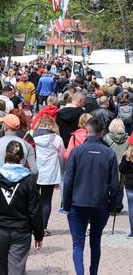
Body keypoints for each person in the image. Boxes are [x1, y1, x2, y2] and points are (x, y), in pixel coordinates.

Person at [63, 118, 119, 275]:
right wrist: (113, 206)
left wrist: (66, 205)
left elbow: (68, 181)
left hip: (77, 203)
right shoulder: (109, 153)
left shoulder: (77, 151)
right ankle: (93, 272)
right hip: (100, 204)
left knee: (78, 244)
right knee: (96, 242)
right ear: (102, 132)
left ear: (87, 131)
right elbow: (114, 185)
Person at [0, 141, 43, 275]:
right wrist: (39, 234)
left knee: (1, 270)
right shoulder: (29, 180)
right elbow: (34, 210)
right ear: (22, 157)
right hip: (21, 230)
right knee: (17, 269)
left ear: (5, 156)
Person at [33, 115, 65, 236]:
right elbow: (62, 156)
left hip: (35, 170)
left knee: (33, 201)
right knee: (46, 200)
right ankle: (43, 227)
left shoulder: (33, 137)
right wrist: (61, 172)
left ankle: (32, 225)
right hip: (50, 172)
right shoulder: (57, 139)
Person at [119, 133, 133, 238]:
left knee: (131, 208)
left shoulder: (127, 155)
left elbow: (121, 169)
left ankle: (132, 231)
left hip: (130, 185)